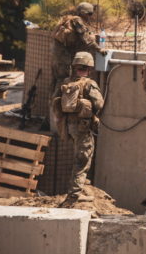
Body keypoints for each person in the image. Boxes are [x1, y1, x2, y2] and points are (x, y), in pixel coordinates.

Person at [51, 52, 104, 200]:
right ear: (89, 68)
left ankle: (81, 182)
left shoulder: (65, 82)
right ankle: (75, 193)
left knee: (79, 154)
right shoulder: (88, 84)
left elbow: (55, 102)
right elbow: (99, 103)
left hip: (68, 127)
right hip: (83, 127)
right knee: (83, 158)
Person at [51, 2, 104, 96]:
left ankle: (54, 104)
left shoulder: (69, 20)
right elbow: (86, 39)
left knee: (57, 80)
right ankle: (60, 106)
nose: (90, 16)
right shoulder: (77, 21)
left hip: (58, 56)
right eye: (89, 14)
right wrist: (99, 49)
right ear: (84, 13)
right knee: (64, 80)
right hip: (64, 57)